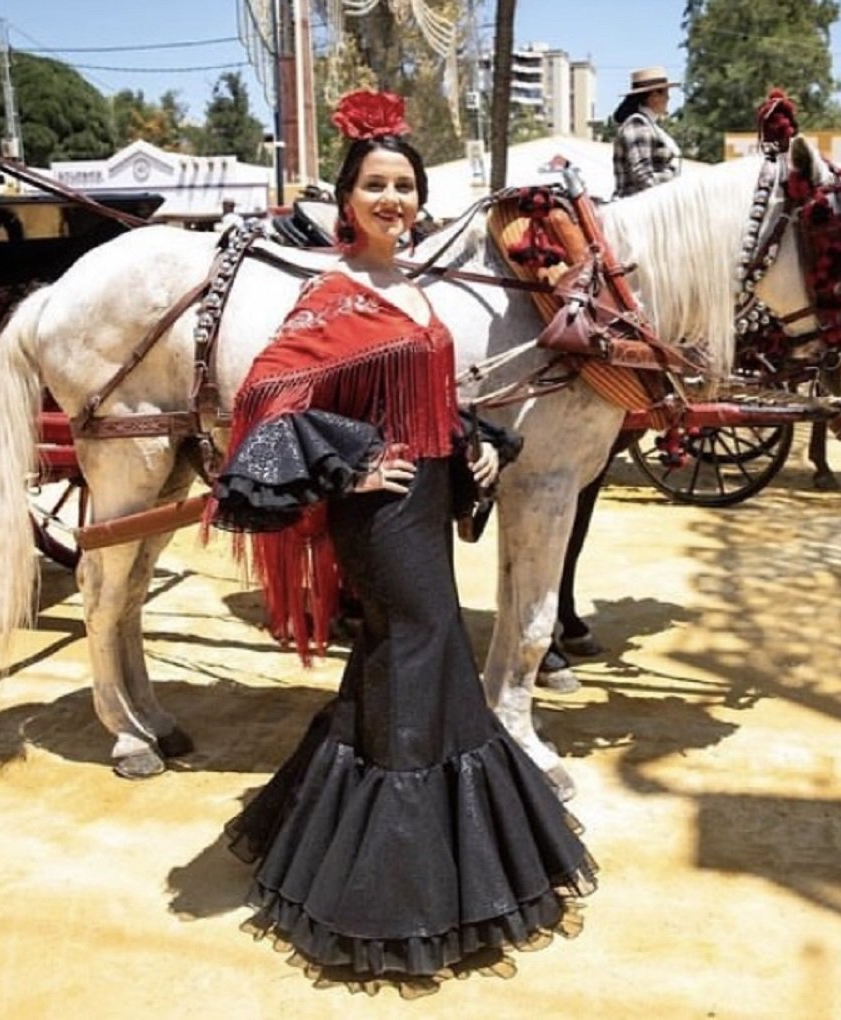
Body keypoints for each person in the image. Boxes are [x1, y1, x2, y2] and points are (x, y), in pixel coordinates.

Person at [209, 90, 595, 990]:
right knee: (425, 643)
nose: (393, 200)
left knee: (395, 659)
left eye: (406, 187)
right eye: (377, 186)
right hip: (377, 513)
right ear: (348, 201)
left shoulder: (415, 288)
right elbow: (267, 396)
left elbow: (425, 395)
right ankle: (399, 887)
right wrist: (347, 463)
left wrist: (470, 446)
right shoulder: (330, 295)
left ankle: (339, 844)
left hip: (423, 496)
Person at [541, 67, 685, 682]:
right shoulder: (634, 128)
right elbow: (646, 186)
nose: (667, 97)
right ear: (653, 93)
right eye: (664, 89)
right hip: (646, 226)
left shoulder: (645, 124)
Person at [611, 66, 682, 198]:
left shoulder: (649, 125)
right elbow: (642, 177)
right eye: (666, 93)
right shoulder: (637, 124)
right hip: (635, 210)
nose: (668, 98)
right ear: (654, 95)